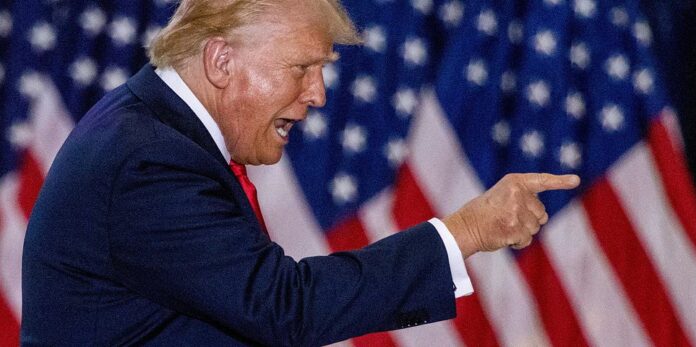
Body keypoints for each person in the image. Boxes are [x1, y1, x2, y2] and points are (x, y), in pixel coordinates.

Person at [20, 0, 580, 346]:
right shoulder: (148, 160)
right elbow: (285, 308)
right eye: (302, 68)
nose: (317, 94)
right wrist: (468, 232)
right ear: (221, 60)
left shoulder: (153, 132)